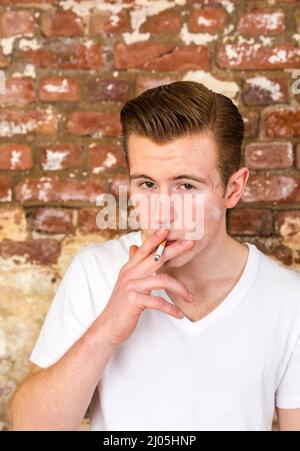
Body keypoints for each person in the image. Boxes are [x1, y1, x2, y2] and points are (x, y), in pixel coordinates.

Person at [10, 81, 300, 431]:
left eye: (186, 186)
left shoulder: (288, 299)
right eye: (147, 184)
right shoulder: (96, 271)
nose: (162, 212)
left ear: (233, 189)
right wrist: (105, 331)